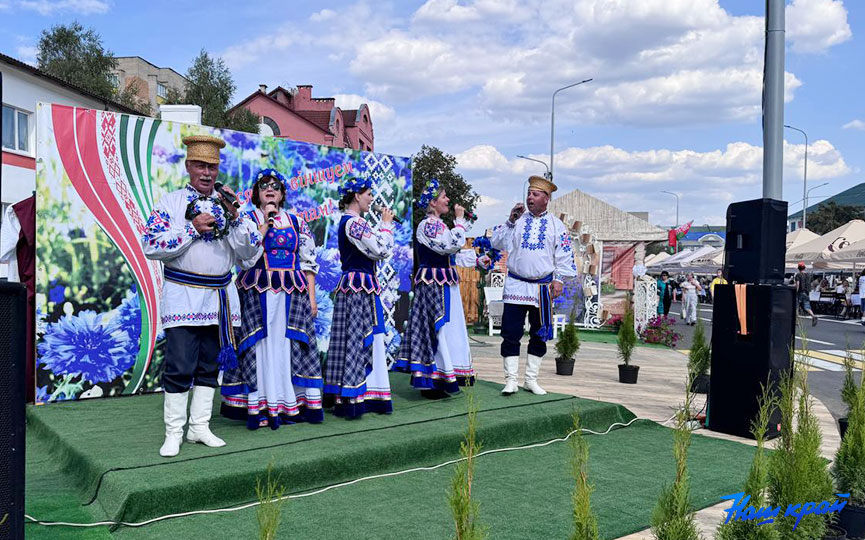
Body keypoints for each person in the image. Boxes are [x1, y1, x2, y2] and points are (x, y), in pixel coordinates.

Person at [142, 135, 262, 457]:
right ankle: (173, 432)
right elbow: (151, 245)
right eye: (200, 165)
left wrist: (236, 217)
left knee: (210, 366)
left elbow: (251, 253)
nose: (207, 173)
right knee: (180, 364)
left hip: (220, 299)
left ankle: (199, 427)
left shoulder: (230, 205)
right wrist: (192, 228)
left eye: (212, 166)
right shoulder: (171, 203)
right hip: (182, 297)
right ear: (188, 166)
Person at [220, 169, 323, 429]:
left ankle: (288, 402)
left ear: (282, 193)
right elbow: (244, 255)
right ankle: (262, 404)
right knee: (261, 346)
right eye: (264, 185)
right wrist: (264, 224)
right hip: (257, 292)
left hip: (292, 295)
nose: (270, 189)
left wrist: (312, 298)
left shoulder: (297, 221)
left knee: (286, 345)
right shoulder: (247, 219)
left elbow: (307, 262)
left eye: (275, 186)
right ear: (256, 192)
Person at [395, 179, 491, 398]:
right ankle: (433, 379)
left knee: (449, 329)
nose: (448, 200)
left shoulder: (439, 226)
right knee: (437, 329)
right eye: (444, 197)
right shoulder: (427, 225)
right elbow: (449, 245)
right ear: (432, 202)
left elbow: (451, 254)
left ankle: (446, 374)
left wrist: (477, 260)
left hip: (445, 283)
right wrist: (459, 221)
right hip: (433, 285)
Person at [491, 175, 578, 395]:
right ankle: (511, 379)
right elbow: (497, 242)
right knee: (510, 333)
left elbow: (564, 255)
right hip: (516, 286)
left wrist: (559, 280)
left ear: (546, 199)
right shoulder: (517, 221)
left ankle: (531, 379)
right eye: (529, 193)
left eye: (535, 194)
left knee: (539, 333)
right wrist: (510, 220)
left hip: (542, 288)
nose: (530, 197)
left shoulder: (556, 225)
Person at [324, 176, 395, 418]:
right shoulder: (354, 223)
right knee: (357, 337)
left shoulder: (355, 223)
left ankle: (361, 391)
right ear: (356, 196)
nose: (372, 198)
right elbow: (381, 249)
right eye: (368, 194)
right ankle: (355, 395)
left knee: (355, 337)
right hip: (358, 286)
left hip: (358, 285)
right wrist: (386, 225)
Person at [794, 262, 818, 327]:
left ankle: (797, 321)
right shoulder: (808, 275)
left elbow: (798, 284)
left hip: (800, 293)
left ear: (798, 268)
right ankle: (813, 316)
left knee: (796, 307)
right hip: (807, 293)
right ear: (804, 268)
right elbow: (810, 283)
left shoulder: (798, 275)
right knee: (807, 306)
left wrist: (795, 291)